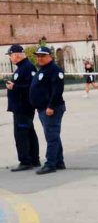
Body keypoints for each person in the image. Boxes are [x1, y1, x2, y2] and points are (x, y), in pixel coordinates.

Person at [29, 46, 66, 175]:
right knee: (53, 135)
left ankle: (50, 164)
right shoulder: (43, 69)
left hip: (51, 109)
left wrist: (51, 106)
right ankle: (59, 161)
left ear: (50, 56)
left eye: (42, 55)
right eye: (38, 56)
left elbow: (57, 90)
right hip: (42, 108)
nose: (39, 58)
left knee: (51, 137)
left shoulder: (54, 70)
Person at [6, 44, 40, 171]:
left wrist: (14, 87)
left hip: (23, 108)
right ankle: (34, 159)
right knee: (29, 132)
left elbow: (31, 87)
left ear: (16, 55)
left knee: (21, 134)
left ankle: (26, 161)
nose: (10, 58)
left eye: (10, 55)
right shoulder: (22, 67)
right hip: (20, 107)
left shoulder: (27, 67)